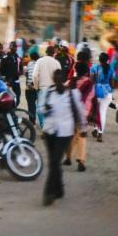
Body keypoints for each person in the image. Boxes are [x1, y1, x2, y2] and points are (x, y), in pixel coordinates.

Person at [41, 69, 86, 206]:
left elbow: (79, 112)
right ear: (54, 80)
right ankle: (59, 188)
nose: (59, 82)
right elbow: (41, 108)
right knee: (53, 162)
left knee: (54, 162)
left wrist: (82, 129)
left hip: (65, 133)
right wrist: (46, 108)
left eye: (61, 80)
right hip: (50, 132)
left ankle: (49, 193)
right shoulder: (48, 92)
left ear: (64, 80)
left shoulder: (72, 94)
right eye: (56, 80)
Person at [64, 63, 94, 172]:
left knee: (70, 135)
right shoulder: (89, 83)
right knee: (82, 136)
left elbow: (63, 91)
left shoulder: (71, 81)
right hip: (82, 113)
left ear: (75, 70)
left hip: (70, 112)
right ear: (86, 72)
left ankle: (68, 157)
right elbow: (91, 98)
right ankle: (81, 160)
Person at [32, 46, 62, 127]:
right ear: (54, 53)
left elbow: (35, 75)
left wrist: (36, 86)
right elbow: (60, 76)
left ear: (46, 52)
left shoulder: (39, 61)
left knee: (41, 109)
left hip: (42, 88)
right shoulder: (56, 63)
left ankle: (44, 126)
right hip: (54, 89)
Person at [90, 53, 115, 143]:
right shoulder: (110, 69)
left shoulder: (94, 68)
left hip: (98, 92)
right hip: (108, 93)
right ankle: (97, 130)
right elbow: (112, 84)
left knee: (98, 112)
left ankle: (99, 132)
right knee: (102, 112)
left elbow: (91, 82)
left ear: (99, 59)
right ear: (107, 60)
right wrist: (111, 94)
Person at [24, 50, 40, 122]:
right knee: (39, 105)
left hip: (29, 87)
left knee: (31, 105)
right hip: (37, 87)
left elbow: (26, 74)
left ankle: (32, 121)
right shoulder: (39, 64)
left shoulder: (29, 64)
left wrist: (28, 84)